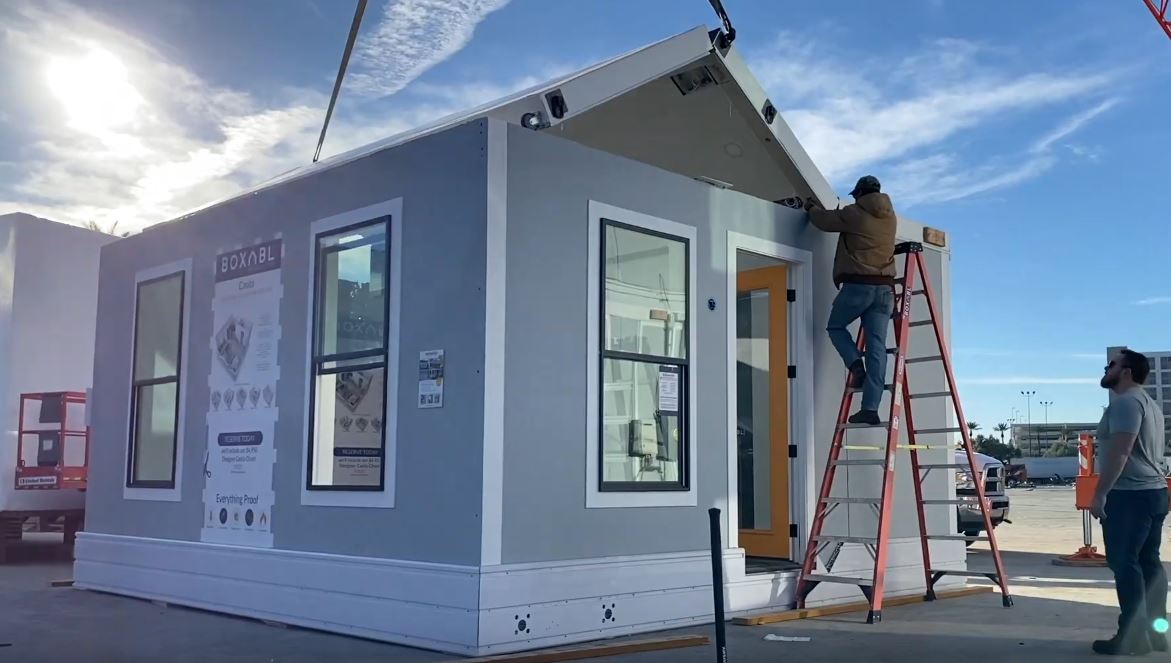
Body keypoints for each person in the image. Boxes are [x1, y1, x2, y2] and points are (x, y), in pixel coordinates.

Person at [1090, 349, 1168, 656]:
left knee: (1126, 564)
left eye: (1111, 365)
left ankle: (1133, 638)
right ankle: (1155, 633)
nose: (1106, 368)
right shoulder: (1150, 404)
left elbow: (1121, 452)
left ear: (1125, 372)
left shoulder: (1125, 403)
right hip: (1154, 493)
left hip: (1130, 496)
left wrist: (1100, 493)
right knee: (1149, 562)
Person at [804, 175, 897, 424]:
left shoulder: (854, 213)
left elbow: (824, 222)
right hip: (885, 289)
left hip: (859, 286)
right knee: (877, 347)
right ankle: (870, 409)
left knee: (835, 327)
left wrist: (810, 208)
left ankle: (856, 367)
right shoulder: (890, 217)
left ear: (860, 194)